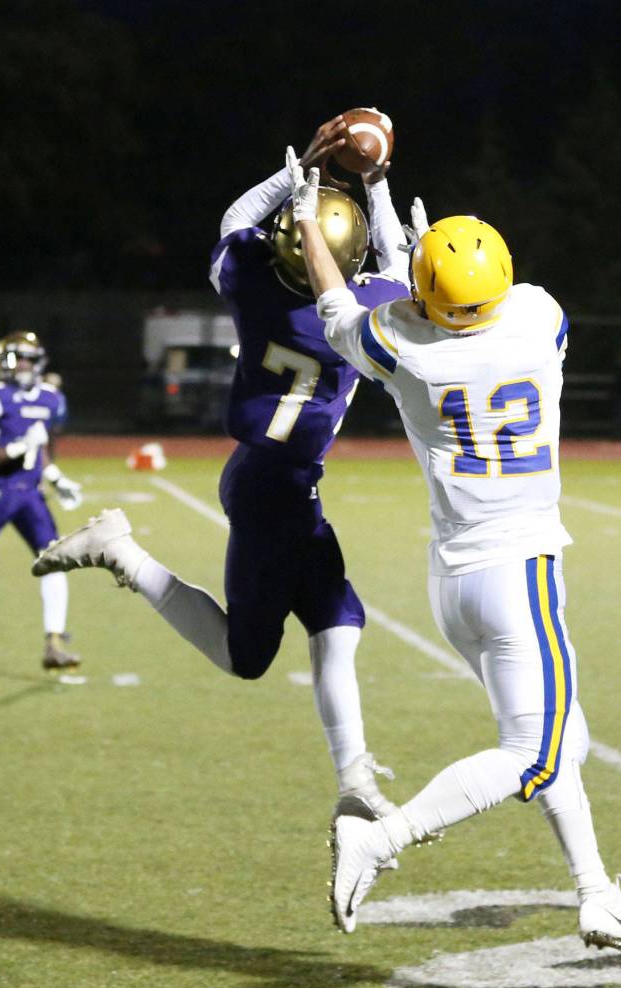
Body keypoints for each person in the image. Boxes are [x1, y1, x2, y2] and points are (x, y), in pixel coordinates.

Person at [285, 149, 621, 958]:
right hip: (522, 571)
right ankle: (380, 838)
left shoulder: (406, 349)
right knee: (535, 754)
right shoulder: (540, 318)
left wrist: (307, 219)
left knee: (560, 739)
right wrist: (405, 222)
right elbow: (445, 297)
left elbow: (338, 303)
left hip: (455, 583)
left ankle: (596, 897)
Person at [31, 116, 411, 822]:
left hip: (266, 473)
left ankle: (354, 778)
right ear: (346, 258)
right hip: (278, 490)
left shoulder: (257, 289)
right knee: (249, 654)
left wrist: (297, 171)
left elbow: (237, 220)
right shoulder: (364, 309)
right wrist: (377, 183)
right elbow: (397, 263)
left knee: (339, 618)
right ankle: (120, 550)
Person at [0, 331, 83, 669]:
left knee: (55, 561)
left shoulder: (49, 398)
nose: (24, 364)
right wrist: (17, 447)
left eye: (29, 358)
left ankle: (54, 642)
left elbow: (41, 448)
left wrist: (55, 478)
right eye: (17, 357)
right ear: (3, 362)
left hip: (29, 494)